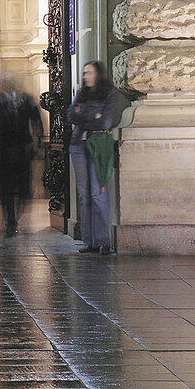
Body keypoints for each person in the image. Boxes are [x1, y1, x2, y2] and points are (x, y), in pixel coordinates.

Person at [0, 74, 41, 237]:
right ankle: (10, 219)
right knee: (6, 187)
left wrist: (37, 142)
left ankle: (16, 215)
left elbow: (36, 120)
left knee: (24, 189)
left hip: (22, 149)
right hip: (2, 150)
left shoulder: (26, 100)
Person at [67, 60, 119, 256]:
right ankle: (89, 241)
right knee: (83, 195)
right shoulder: (81, 93)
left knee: (97, 194)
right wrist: (92, 115)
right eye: (84, 73)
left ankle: (103, 240)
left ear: (99, 74)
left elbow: (106, 120)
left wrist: (84, 114)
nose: (86, 76)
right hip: (78, 146)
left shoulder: (109, 93)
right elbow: (71, 115)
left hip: (97, 145)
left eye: (90, 73)